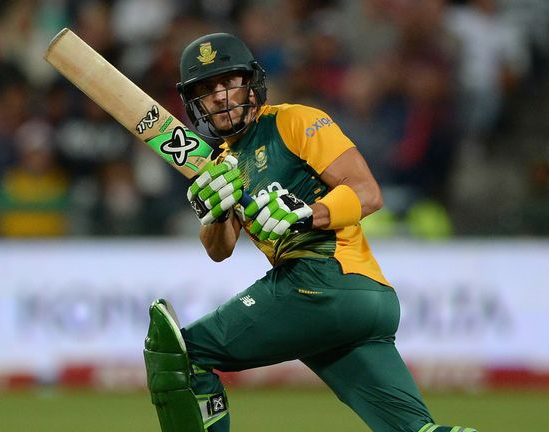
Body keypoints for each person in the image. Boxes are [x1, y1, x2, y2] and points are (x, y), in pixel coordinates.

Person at [142, 32, 477, 432]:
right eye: (206, 89)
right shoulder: (223, 164)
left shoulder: (293, 120)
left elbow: (367, 193)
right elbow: (220, 250)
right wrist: (213, 214)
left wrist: (306, 214)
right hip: (359, 305)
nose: (219, 96)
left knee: (178, 356)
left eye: (228, 81)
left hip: (321, 281)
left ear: (251, 83)